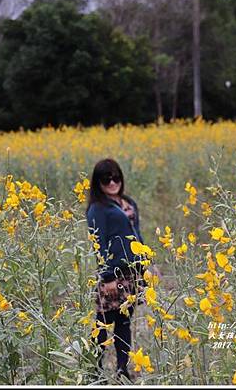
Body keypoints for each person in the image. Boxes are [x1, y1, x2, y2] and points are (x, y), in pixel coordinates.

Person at [85, 158, 147, 382]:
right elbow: (98, 244)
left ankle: (122, 371)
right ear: (98, 182)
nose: (112, 182)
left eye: (116, 177)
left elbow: (137, 235)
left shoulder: (127, 202)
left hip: (131, 272)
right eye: (106, 178)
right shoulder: (97, 208)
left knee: (124, 322)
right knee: (102, 322)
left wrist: (148, 263)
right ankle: (94, 371)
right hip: (113, 274)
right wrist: (107, 276)